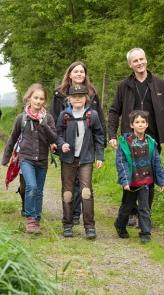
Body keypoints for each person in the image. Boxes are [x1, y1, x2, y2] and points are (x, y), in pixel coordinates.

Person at [108, 48, 164, 226]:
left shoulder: (160, 84)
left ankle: (144, 215)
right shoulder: (124, 86)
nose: (139, 63)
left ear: (146, 60)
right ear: (130, 64)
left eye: (142, 59)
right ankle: (131, 212)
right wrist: (112, 135)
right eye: (135, 61)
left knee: (150, 175)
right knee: (131, 175)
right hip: (130, 140)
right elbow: (114, 111)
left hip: (152, 139)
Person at [50, 61, 106, 225]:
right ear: (69, 74)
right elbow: (54, 120)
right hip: (66, 143)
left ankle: (82, 216)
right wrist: (54, 141)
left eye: (82, 71)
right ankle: (73, 214)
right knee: (70, 183)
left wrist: (100, 148)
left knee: (84, 185)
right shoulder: (59, 94)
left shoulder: (92, 93)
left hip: (86, 144)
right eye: (76, 71)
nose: (79, 74)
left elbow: (99, 120)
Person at [2, 83, 58, 234]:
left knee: (39, 191)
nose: (38, 101)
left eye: (41, 99)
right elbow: (13, 138)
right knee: (31, 187)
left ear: (44, 101)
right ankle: (30, 218)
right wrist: (6, 157)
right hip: (26, 159)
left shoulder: (49, 118)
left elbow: (54, 137)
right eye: (35, 98)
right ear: (29, 98)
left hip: (42, 160)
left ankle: (36, 219)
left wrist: (44, 125)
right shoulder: (21, 118)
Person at [56, 84, 104, 239]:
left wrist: (100, 156)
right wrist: (61, 144)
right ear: (69, 99)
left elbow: (99, 136)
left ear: (86, 98)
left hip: (86, 159)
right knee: (68, 193)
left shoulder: (92, 115)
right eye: (74, 97)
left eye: (81, 96)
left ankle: (90, 226)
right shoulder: (64, 115)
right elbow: (57, 134)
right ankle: (67, 225)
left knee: (86, 192)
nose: (78, 99)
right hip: (68, 159)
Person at [113, 110, 164, 243]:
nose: (140, 124)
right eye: (137, 122)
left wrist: (161, 181)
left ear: (147, 124)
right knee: (126, 207)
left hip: (146, 182)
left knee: (144, 208)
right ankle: (120, 225)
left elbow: (156, 163)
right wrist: (125, 181)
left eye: (143, 122)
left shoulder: (151, 143)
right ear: (131, 125)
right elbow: (121, 163)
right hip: (131, 182)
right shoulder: (125, 143)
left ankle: (145, 233)